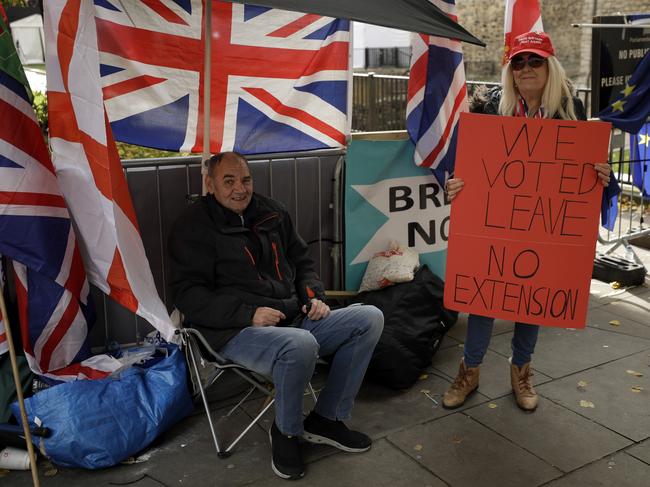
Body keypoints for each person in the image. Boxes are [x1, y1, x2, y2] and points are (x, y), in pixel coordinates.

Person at [168, 151, 383, 480]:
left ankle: (327, 418)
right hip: (232, 331)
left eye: (245, 179)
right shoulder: (191, 226)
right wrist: (248, 314)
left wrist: (313, 296)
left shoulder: (272, 212)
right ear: (209, 184)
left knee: (369, 318)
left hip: (293, 316)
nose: (240, 188)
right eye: (229, 181)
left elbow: (303, 262)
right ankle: (286, 432)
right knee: (299, 345)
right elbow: (188, 295)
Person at [443, 31, 612, 412]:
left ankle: (522, 370)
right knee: (485, 295)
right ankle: (469, 370)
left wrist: (601, 174)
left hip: (539, 226)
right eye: (517, 62)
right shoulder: (487, 106)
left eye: (534, 60)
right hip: (495, 223)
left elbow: (585, 170)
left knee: (531, 295)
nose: (525, 69)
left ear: (549, 65)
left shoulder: (569, 110)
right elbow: (462, 165)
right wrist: (453, 185)